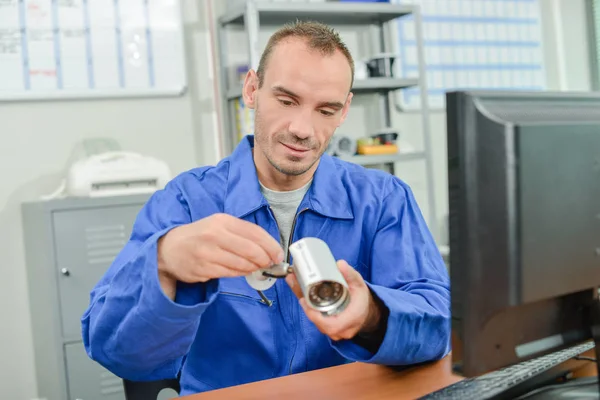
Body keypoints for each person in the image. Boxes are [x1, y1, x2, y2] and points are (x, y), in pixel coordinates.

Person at [81, 21, 451, 396]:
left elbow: (438, 326)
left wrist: (372, 316)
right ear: (252, 89)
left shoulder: (383, 200)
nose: (302, 128)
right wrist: (163, 264)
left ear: (344, 111)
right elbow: (111, 348)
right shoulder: (187, 202)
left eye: (326, 110)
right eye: (287, 101)